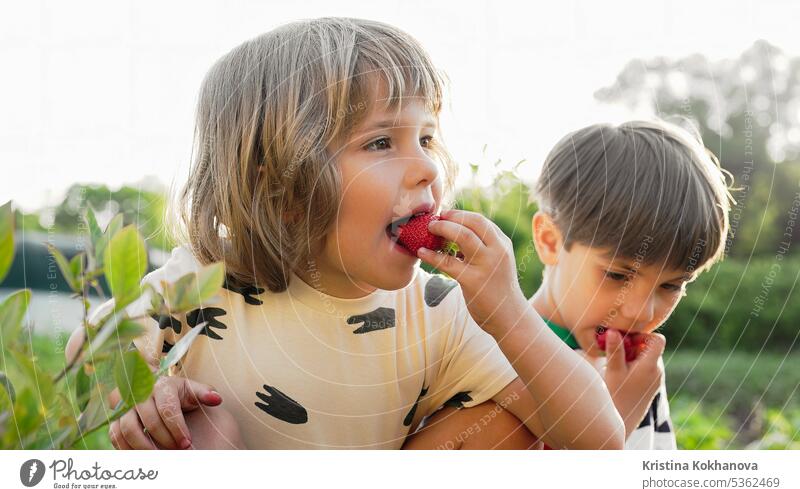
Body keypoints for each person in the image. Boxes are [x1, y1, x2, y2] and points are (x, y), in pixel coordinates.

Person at [66, 17, 624, 450]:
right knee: (202, 426)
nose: (427, 168)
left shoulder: (438, 309)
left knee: (508, 421)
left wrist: (508, 313)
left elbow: (600, 439)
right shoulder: (205, 281)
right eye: (381, 143)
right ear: (280, 184)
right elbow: (91, 349)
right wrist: (139, 392)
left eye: (426, 138)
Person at [526, 120, 733, 449]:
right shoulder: (500, 359)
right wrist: (614, 418)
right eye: (617, 275)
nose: (640, 312)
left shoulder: (639, 372)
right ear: (550, 241)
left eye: (671, 286)